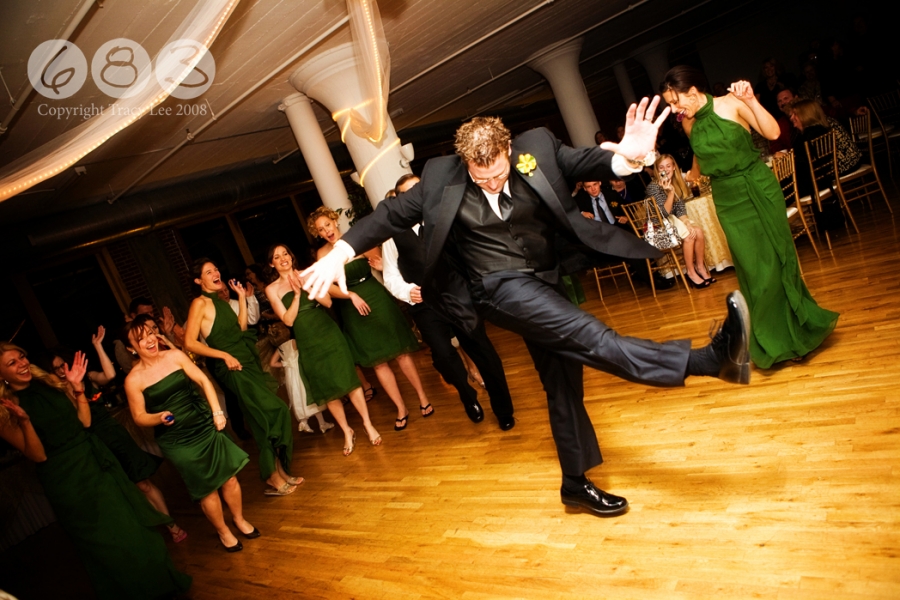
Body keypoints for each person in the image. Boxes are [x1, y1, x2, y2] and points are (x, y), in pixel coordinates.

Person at [300, 100, 752, 518]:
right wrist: (341, 251)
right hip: (495, 287)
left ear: (508, 150)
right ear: (465, 164)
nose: (492, 184)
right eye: (481, 179)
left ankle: (574, 483)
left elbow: (587, 160)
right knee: (591, 335)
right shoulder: (439, 177)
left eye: (498, 173)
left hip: (546, 280)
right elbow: (388, 216)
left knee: (563, 382)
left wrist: (626, 159)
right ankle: (707, 360)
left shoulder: (537, 146)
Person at [661, 65, 839, 368]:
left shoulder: (732, 103)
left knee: (774, 261)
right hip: (727, 200)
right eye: (670, 104)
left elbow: (773, 133)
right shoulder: (689, 124)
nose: (674, 109)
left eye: (675, 101)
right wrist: (691, 175)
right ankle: (769, 338)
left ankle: (792, 335)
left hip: (756, 186)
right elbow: (700, 154)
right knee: (752, 269)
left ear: (692, 91)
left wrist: (752, 101)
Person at [0, 343, 192, 599]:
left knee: (133, 529)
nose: (22, 363)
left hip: (95, 463)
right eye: (12, 363)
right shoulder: (4, 411)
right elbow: (38, 455)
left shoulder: (48, 383)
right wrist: (25, 421)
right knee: (106, 544)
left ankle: (161, 584)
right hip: (67, 481)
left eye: (22, 356)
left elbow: (85, 421)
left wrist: (77, 388)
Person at [382, 174, 515, 429]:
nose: (417, 194)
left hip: (458, 295)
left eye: (420, 188)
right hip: (425, 303)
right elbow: (389, 274)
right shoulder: (393, 233)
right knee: (443, 356)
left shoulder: (445, 216)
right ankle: (467, 396)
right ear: (400, 199)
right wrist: (407, 291)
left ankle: (504, 410)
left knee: (484, 353)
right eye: (409, 192)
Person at [124, 314, 258, 552]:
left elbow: (204, 381)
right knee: (207, 488)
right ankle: (223, 531)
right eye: (141, 339)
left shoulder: (174, 356)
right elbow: (138, 416)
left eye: (151, 333)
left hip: (203, 423)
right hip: (177, 440)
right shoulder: (133, 380)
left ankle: (239, 519)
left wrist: (217, 413)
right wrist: (158, 417)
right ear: (131, 348)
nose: (150, 340)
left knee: (229, 477)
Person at [42, 327, 186, 544]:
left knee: (143, 483)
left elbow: (109, 375)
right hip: (92, 444)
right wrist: (69, 388)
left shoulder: (87, 378)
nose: (62, 370)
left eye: (62, 365)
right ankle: (141, 534)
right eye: (55, 369)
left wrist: (98, 346)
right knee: (121, 492)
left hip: (113, 435)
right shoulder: (57, 396)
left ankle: (171, 524)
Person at [309, 207, 432, 432]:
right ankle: (401, 408)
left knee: (401, 353)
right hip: (352, 309)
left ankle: (423, 397)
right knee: (377, 362)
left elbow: (385, 264)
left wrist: (382, 265)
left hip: (377, 300)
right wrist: (350, 295)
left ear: (335, 221)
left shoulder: (356, 240)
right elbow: (327, 286)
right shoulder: (322, 255)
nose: (326, 231)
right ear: (317, 234)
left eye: (327, 224)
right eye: (321, 229)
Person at [183, 259, 299, 496]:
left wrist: (242, 298)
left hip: (246, 360)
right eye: (208, 272)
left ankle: (279, 471)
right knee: (270, 412)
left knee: (264, 416)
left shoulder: (221, 302)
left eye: (216, 269)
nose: (215, 273)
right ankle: (271, 475)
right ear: (198, 280)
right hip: (232, 367)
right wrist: (224, 355)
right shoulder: (199, 303)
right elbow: (190, 342)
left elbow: (241, 329)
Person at [265, 243, 382, 454]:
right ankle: (346, 430)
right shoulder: (271, 289)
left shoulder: (309, 274)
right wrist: (297, 295)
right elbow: (288, 320)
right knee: (327, 388)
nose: (283, 258)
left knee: (348, 379)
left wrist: (306, 286)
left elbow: (327, 302)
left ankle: (367, 424)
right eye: (277, 256)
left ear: (291, 256)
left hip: (328, 334)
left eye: (285, 253)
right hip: (307, 341)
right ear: (271, 264)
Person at [644, 154, 715, 288]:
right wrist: (670, 192)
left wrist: (687, 223)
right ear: (657, 170)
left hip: (673, 222)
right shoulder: (653, 187)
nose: (665, 170)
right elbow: (664, 213)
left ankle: (700, 267)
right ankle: (691, 272)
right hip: (660, 225)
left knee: (698, 232)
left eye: (668, 166)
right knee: (689, 236)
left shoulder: (676, 183)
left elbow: (680, 209)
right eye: (661, 167)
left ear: (674, 167)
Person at [789, 98, 862, 198]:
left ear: (805, 115)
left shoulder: (812, 133)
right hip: (853, 160)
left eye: (795, 114)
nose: (791, 117)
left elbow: (805, 162)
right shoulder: (823, 124)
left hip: (841, 167)